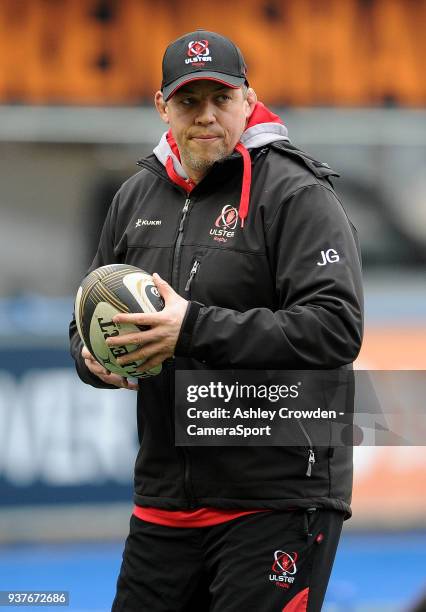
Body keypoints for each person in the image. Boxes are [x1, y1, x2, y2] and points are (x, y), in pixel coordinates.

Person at [69, 29, 363, 612]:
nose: (206, 117)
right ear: (162, 107)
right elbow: (83, 319)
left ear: (248, 101)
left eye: (221, 100)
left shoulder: (296, 193)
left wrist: (193, 326)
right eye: (188, 102)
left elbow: (336, 326)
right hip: (163, 502)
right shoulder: (134, 198)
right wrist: (95, 357)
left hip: (277, 499)